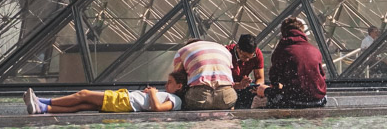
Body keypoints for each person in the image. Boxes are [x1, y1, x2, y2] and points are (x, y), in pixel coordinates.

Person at [22, 70, 185, 114]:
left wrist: (152, 93)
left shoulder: (175, 101)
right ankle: (42, 109)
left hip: (124, 101)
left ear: (179, 86)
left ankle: (43, 101)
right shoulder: (171, 96)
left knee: (83, 94)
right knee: (83, 105)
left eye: (170, 82)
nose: (166, 84)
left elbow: (157, 108)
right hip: (124, 102)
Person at [266, 16, 327, 108]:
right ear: (302, 32)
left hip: (293, 101)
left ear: (283, 32)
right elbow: (322, 76)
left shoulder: (283, 50)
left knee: (265, 93)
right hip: (318, 100)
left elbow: (274, 77)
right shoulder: (314, 50)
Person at [173, 38, 237, 110]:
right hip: (226, 95)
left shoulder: (182, 51)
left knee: (181, 103)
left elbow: (177, 80)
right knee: (229, 104)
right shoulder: (224, 50)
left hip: (199, 96)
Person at [228, 33, 265, 110]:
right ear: (238, 48)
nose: (247, 60)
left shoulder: (257, 54)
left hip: (244, 87)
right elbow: (221, 84)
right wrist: (238, 85)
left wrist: (256, 87)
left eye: (250, 57)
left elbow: (260, 78)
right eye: (244, 56)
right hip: (229, 88)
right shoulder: (227, 54)